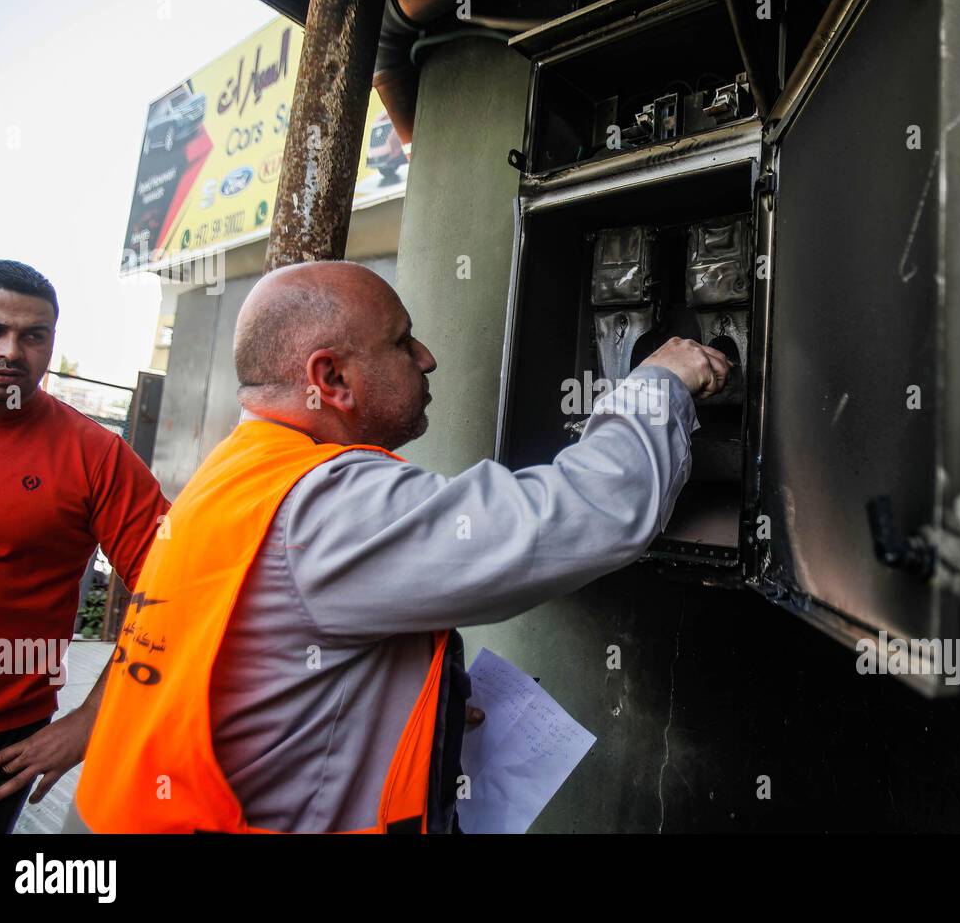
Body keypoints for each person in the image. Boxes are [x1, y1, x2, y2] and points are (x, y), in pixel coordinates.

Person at [73, 259, 729, 833]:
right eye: (401, 342)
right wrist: (657, 382)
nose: (427, 357)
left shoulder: (236, 476)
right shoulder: (327, 506)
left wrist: (409, 712)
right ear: (329, 378)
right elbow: (593, 512)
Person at [0, 259, 170, 833]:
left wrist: (94, 716)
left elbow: (180, 591)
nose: (11, 350)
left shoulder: (93, 454)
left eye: (33, 336)